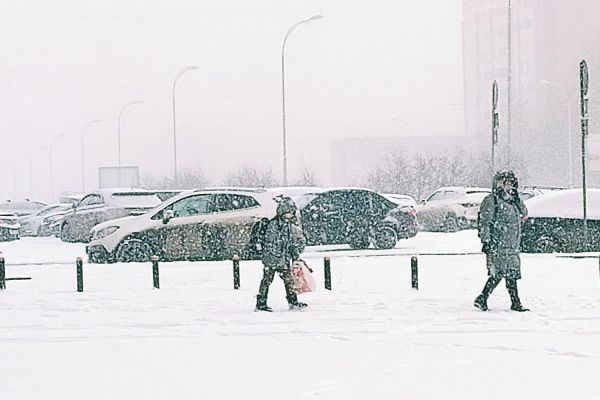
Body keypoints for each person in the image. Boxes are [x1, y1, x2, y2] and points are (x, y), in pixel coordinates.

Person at [475, 169, 530, 312]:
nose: (510, 187)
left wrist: (518, 201)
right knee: (499, 273)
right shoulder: (492, 200)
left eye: (512, 183)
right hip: (497, 244)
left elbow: (524, 213)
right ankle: (484, 298)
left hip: (511, 245)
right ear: (499, 184)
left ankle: (513, 302)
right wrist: (486, 241)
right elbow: (485, 222)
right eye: (507, 183)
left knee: (511, 273)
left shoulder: (513, 201)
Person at [255, 196, 307, 312]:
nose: (289, 216)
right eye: (287, 213)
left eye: (291, 213)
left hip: (282, 259)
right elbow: (273, 242)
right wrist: (277, 255)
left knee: (289, 281)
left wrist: (293, 254)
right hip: (272, 258)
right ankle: (261, 302)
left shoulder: (288, 225)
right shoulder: (273, 225)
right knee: (267, 280)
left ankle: (293, 301)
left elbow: (290, 241)